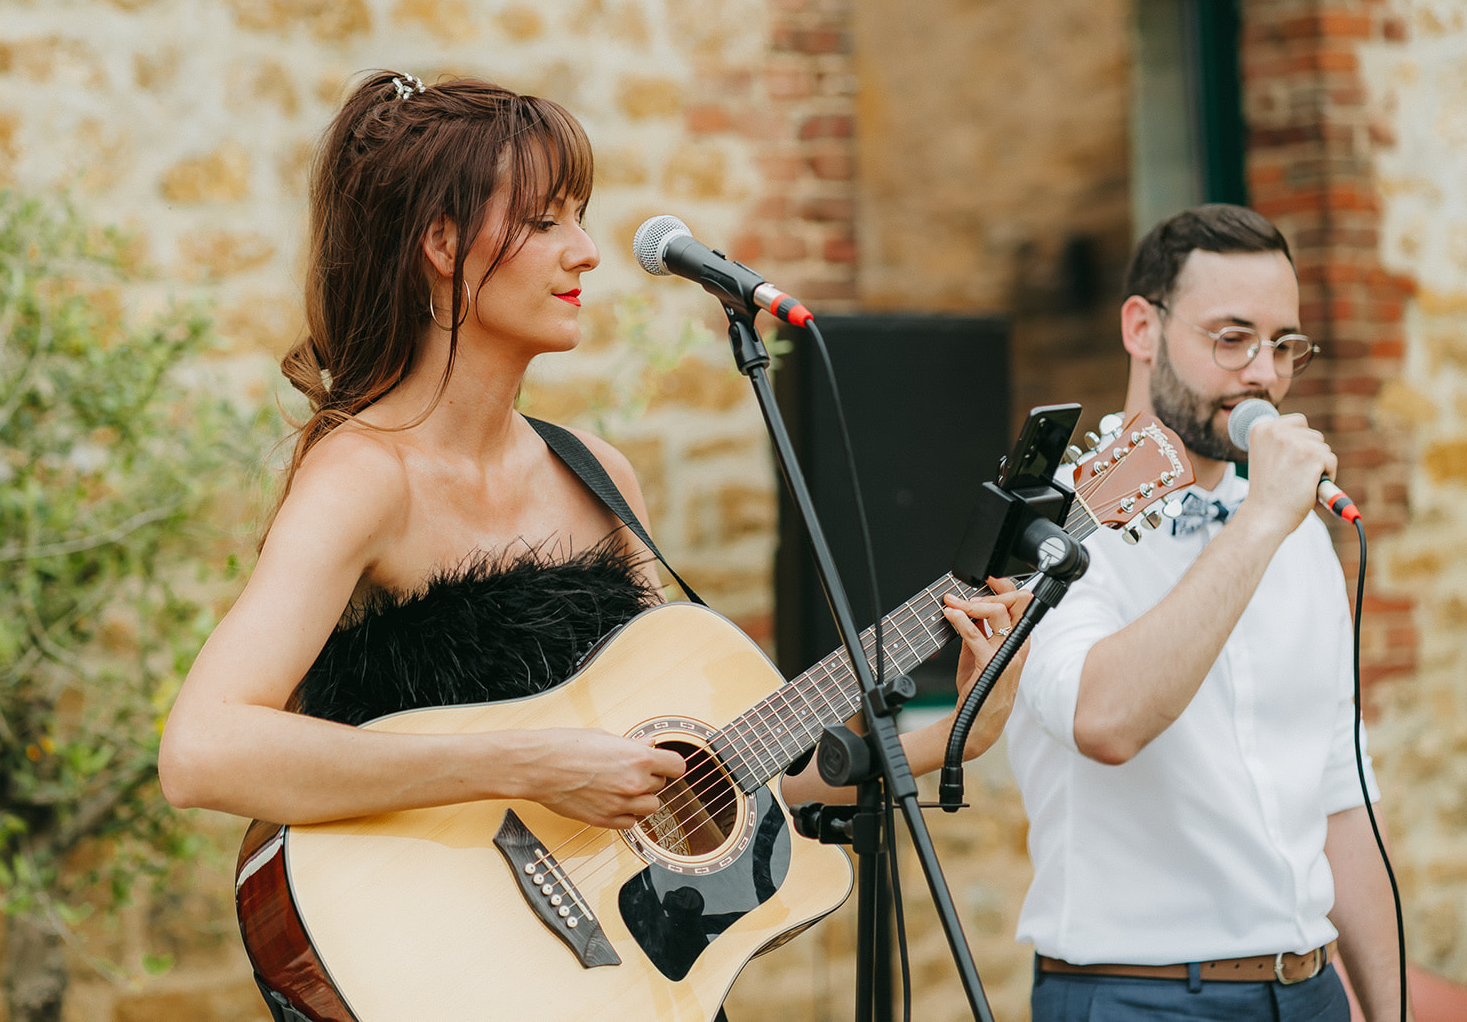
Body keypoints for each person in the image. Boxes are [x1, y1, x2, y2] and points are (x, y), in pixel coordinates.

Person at [156, 71, 1029, 1018]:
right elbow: (204, 748)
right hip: (449, 975)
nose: (586, 251)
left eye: (580, 217)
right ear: (441, 245)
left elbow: (712, 786)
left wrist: (956, 733)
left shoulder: (597, 477)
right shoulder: (366, 474)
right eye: (545, 222)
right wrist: (531, 765)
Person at [1007, 204, 1404, 1022]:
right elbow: (1104, 719)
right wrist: (1260, 522)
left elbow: (1341, 800)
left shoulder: (1301, 539)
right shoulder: (1052, 523)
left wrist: (1391, 1008)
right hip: (1138, 993)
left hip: (1310, 988)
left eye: (1283, 345)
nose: (1263, 373)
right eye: (1232, 338)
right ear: (1142, 328)